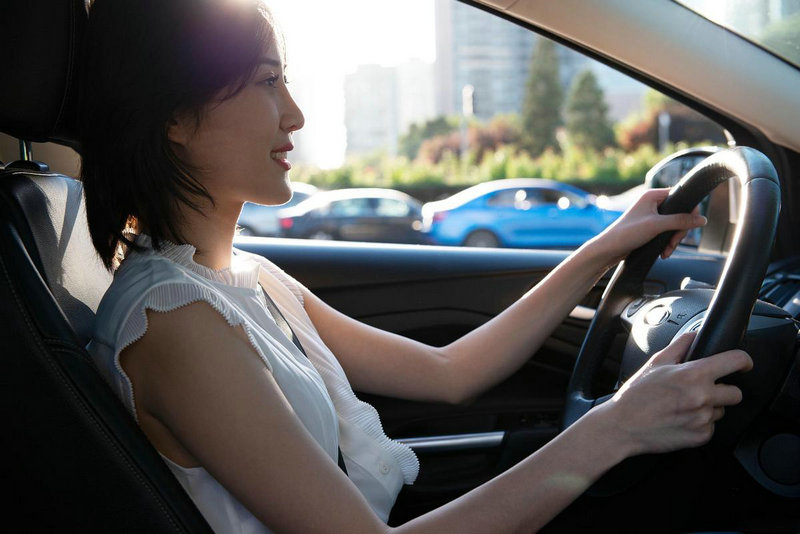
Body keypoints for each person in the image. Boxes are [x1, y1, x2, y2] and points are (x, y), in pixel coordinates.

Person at [80, 0, 753, 532]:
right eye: (267, 81)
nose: (295, 114)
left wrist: (608, 245)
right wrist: (616, 427)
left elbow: (449, 372)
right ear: (175, 115)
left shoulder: (248, 281)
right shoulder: (176, 322)